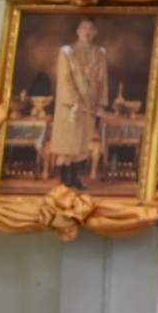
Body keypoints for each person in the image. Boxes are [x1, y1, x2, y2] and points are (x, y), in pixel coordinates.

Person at [50, 18, 108, 189]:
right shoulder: (67, 52)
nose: (87, 32)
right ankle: (64, 179)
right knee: (68, 141)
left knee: (82, 143)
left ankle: (75, 177)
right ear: (78, 31)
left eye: (91, 29)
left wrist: (100, 104)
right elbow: (65, 80)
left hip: (89, 105)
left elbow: (103, 80)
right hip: (71, 106)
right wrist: (76, 101)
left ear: (95, 32)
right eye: (84, 28)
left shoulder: (100, 53)